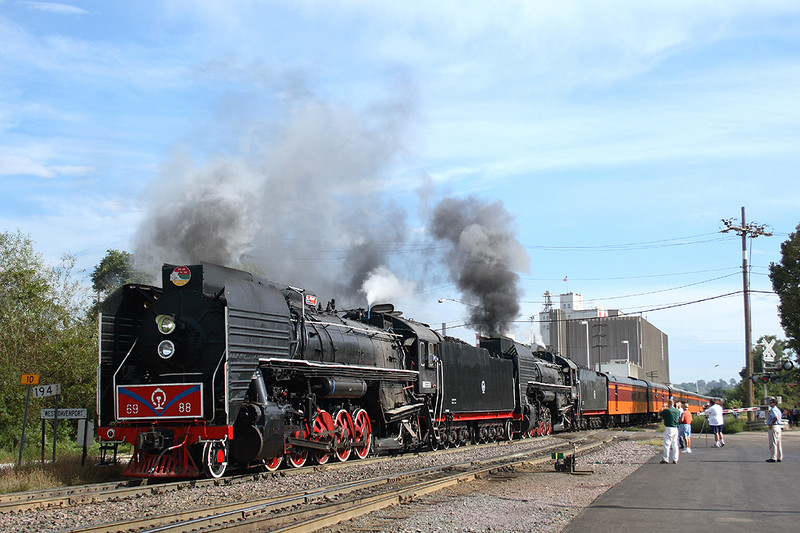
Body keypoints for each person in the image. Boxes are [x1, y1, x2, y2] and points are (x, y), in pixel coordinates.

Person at [660, 399, 681, 464]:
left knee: (667, 444)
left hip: (668, 428)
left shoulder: (667, 410)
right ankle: (675, 459)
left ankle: (666, 459)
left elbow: (660, 413)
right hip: (675, 428)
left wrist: (663, 407)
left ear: (668, 404)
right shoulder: (677, 411)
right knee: (675, 444)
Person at [766, 397, 783, 462]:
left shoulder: (773, 410)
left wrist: (771, 424)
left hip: (774, 427)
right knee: (778, 442)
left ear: (775, 403)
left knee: (773, 442)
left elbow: (775, 417)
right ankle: (779, 457)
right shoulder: (778, 410)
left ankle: (773, 457)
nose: (770, 403)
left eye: (771, 402)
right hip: (778, 427)